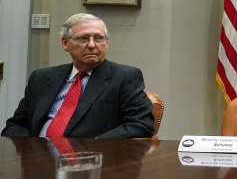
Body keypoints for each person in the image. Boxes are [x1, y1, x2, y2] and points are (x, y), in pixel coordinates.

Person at [2, 13, 153, 139]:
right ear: (65, 44)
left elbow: (140, 125)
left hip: (91, 162)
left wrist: (92, 147)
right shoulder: (41, 77)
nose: (92, 45)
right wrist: (33, 148)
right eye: (83, 38)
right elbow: (16, 125)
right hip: (38, 160)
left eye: (99, 38)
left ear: (106, 42)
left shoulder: (125, 77)